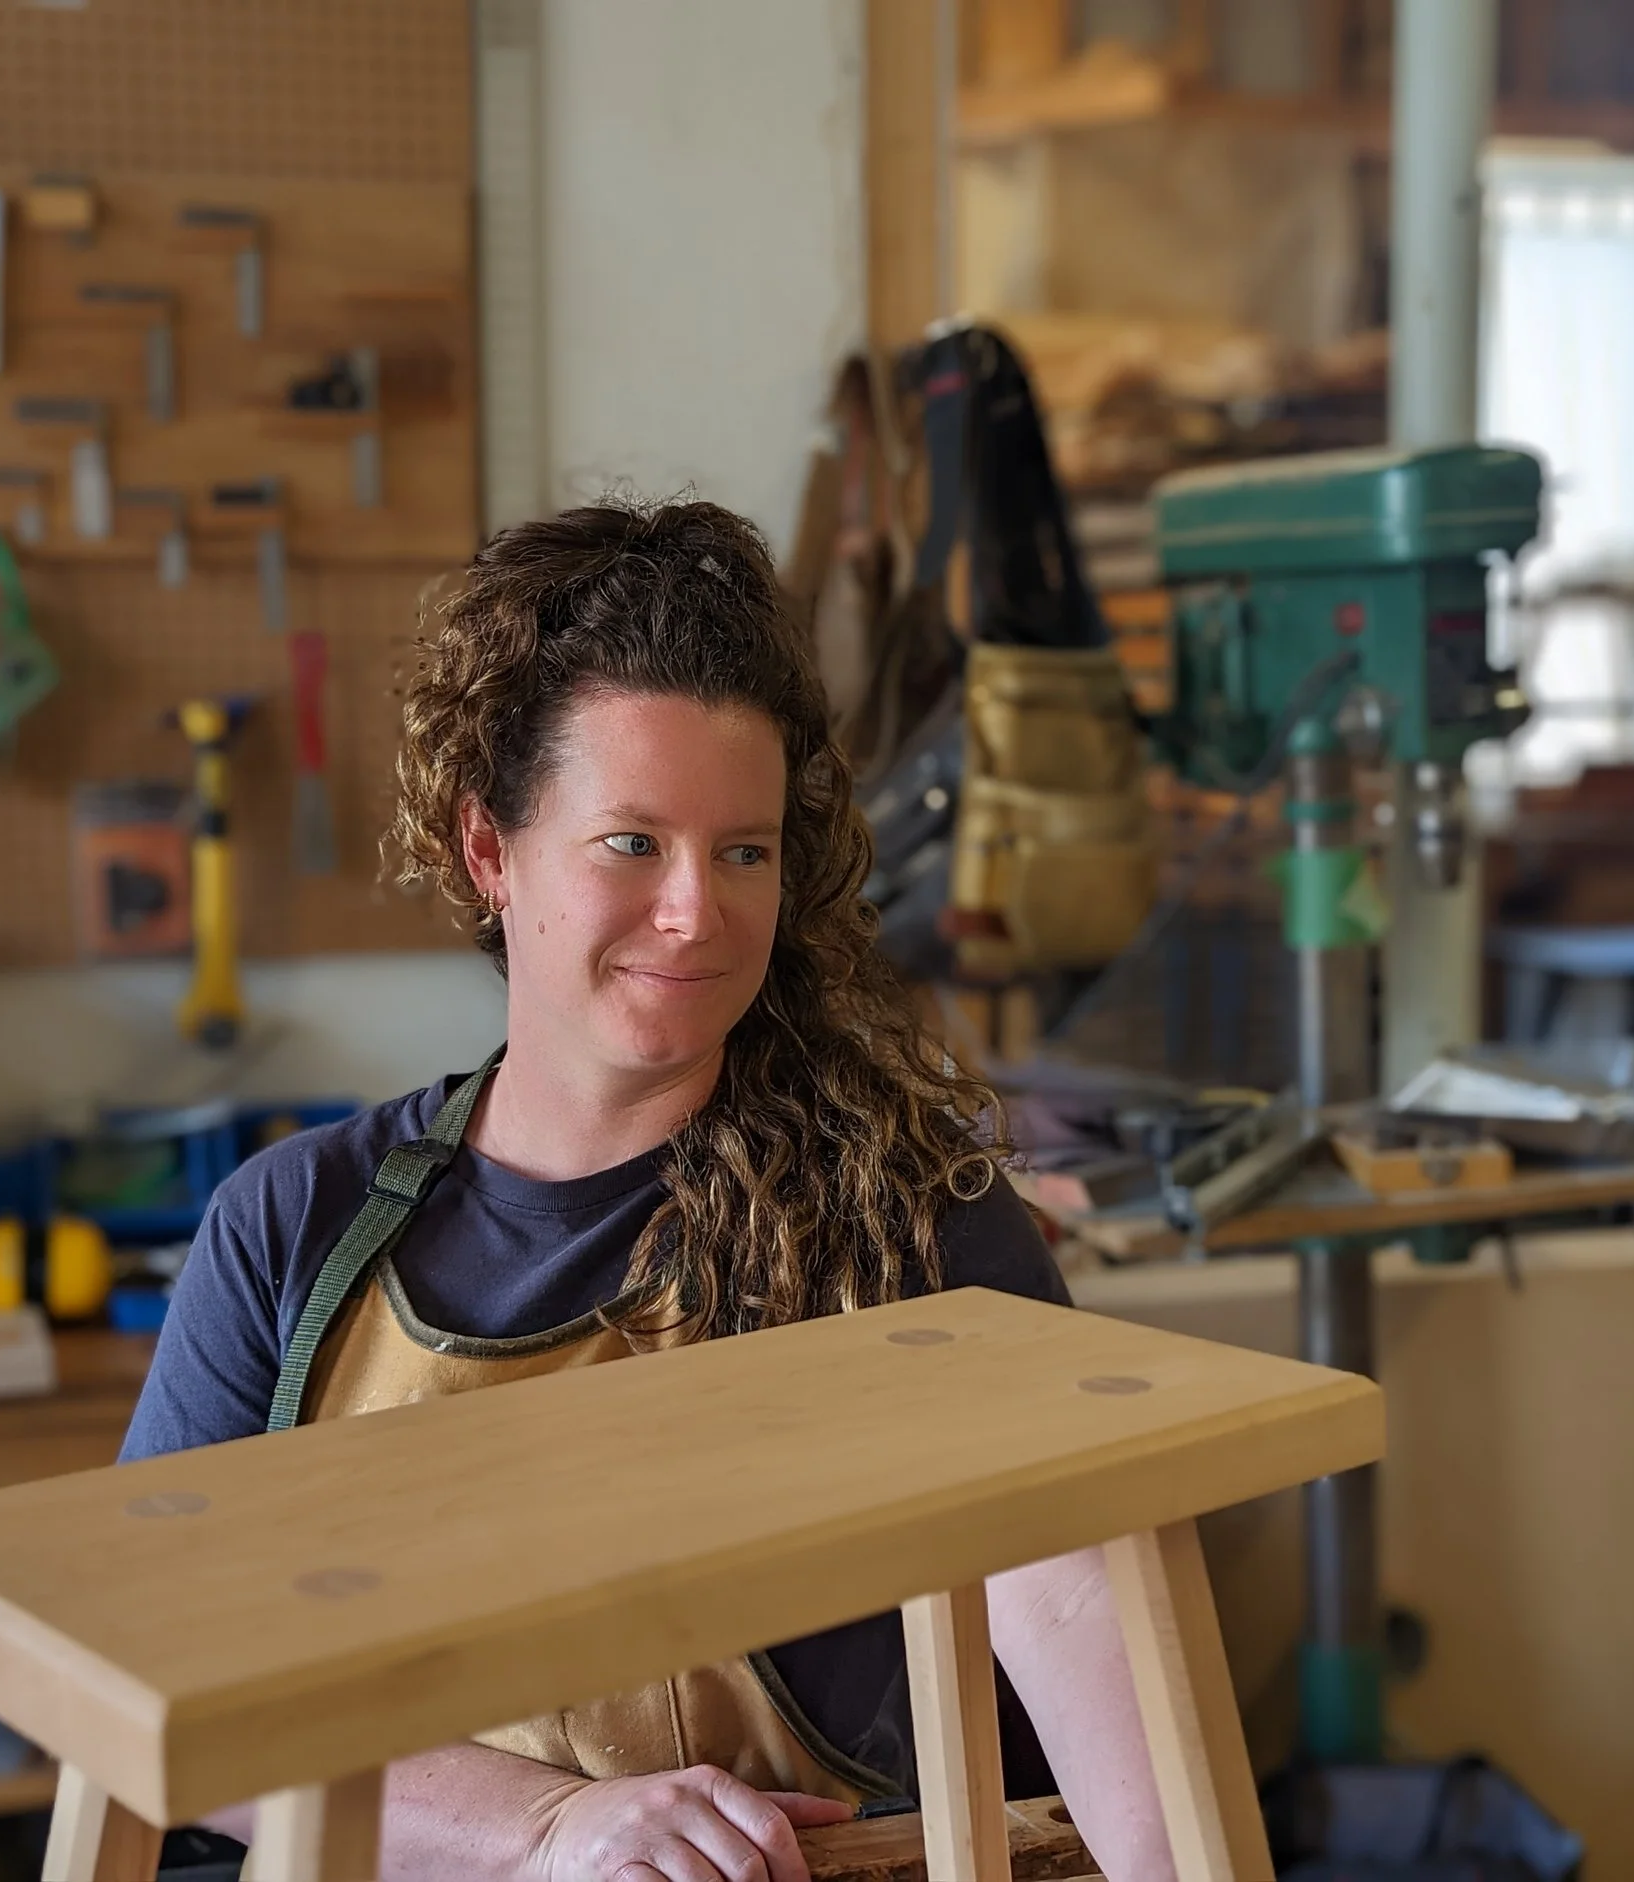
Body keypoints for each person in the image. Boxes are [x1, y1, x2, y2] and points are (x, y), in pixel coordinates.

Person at [121, 500, 1175, 1882]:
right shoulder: (293, 1229)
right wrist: (545, 1826)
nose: (699, 911)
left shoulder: (901, 1222)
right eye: (633, 843)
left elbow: (1081, 1611)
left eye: (743, 850)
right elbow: (161, 1683)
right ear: (490, 851)